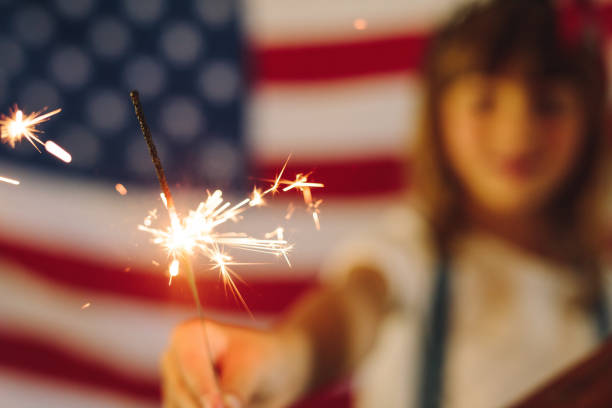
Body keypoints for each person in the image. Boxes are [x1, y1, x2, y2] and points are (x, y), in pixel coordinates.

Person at [160, 0, 611, 407]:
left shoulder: (602, 274)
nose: (516, 133)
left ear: (591, 120)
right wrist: (284, 357)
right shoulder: (413, 250)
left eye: (549, 105)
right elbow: (351, 310)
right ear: (437, 114)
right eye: (484, 102)